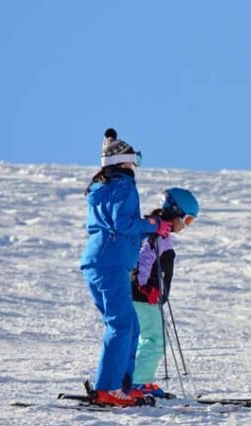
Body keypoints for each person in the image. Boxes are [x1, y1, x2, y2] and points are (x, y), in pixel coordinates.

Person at [80, 128, 172, 406]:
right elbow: (123, 224)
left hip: (103, 260)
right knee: (121, 324)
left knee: (129, 325)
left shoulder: (103, 186)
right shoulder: (124, 186)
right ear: (123, 161)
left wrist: (149, 227)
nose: (135, 167)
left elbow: (120, 226)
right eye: (135, 161)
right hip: (111, 262)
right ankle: (107, 388)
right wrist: (154, 224)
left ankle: (122, 386)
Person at [131, 188, 199, 398]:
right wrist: (143, 286)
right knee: (154, 339)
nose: (186, 226)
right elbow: (143, 259)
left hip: (145, 296)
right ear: (176, 212)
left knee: (147, 338)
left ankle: (135, 381)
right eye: (187, 220)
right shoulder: (158, 235)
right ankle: (139, 383)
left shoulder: (158, 232)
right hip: (144, 296)